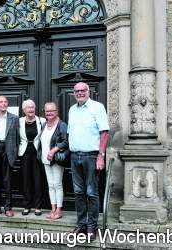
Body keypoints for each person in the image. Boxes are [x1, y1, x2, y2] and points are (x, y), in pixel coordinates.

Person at [68, 82, 109, 240]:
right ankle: (81, 224)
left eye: (82, 90)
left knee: (91, 192)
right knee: (78, 192)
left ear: (88, 91)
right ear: (74, 93)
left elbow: (104, 133)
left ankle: (92, 227)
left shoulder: (97, 107)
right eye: (77, 91)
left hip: (91, 156)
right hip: (74, 156)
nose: (79, 93)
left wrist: (101, 155)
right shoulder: (72, 109)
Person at [39, 102, 68, 220]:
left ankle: (59, 210)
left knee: (57, 184)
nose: (49, 113)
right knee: (50, 185)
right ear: (44, 113)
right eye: (47, 111)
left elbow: (66, 142)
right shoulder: (44, 124)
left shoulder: (61, 125)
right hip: (45, 160)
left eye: (52, 111)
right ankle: (53, 209)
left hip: (56, 160)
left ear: (56, 112)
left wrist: (53, 150)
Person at [18, 99, 46, 216]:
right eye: (28, 107)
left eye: (32, 107)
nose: (31, 109)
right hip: (24, 153)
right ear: (24, 110)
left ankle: (38, 206)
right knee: (26, 179)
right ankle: (26, 205)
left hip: (37, 153)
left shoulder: (42, 121)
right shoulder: (19, 121)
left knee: (38, 179)